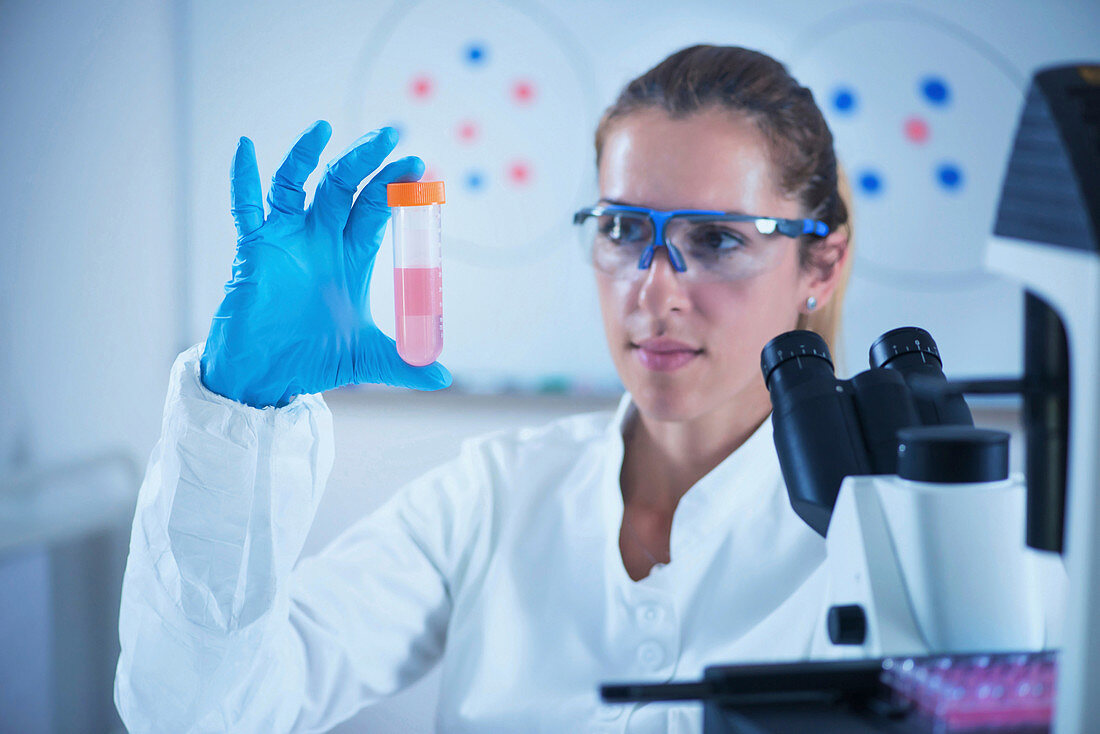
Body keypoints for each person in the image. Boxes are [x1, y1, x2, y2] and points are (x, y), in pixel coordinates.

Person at [114, 44, 852, 733]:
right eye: (624, 228)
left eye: (718, 239)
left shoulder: (880, 524)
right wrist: (239, 407)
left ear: (821, 265)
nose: (655, 293)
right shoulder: (494, 495)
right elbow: (203, 714)